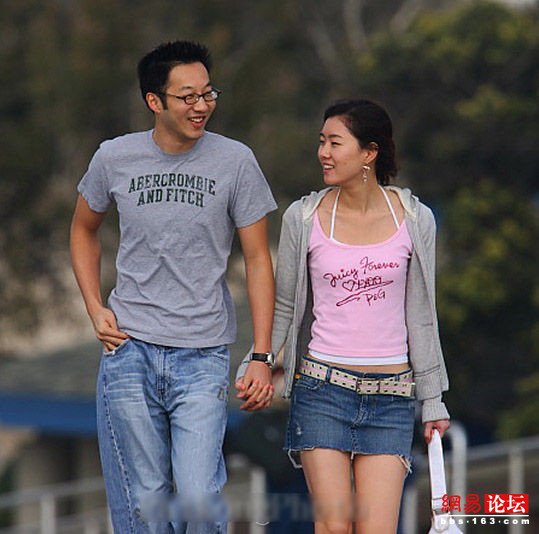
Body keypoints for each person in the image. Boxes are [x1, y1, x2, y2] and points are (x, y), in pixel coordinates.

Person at [70, 41, 277, 534]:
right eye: (187, 97)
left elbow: (257, 259)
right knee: (145, 502)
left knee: (199, 496)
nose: (201, 106)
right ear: (154, 101)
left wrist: (262, 355)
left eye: (208, 94)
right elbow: (82, 230)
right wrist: (95, 307)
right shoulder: (114, 157)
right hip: (129, 348)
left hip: (202, 354)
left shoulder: (235, 161)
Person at [237, 99, 450, 534]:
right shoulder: (303, 218)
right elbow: (285, 306)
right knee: (333, 526)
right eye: (321, 142)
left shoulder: (416, 219)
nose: (324, 153)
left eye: (335, 143)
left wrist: (432, 399)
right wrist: (257, 361)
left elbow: (422, 316)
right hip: (322, 391)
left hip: (392, 397)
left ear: (369, 152)